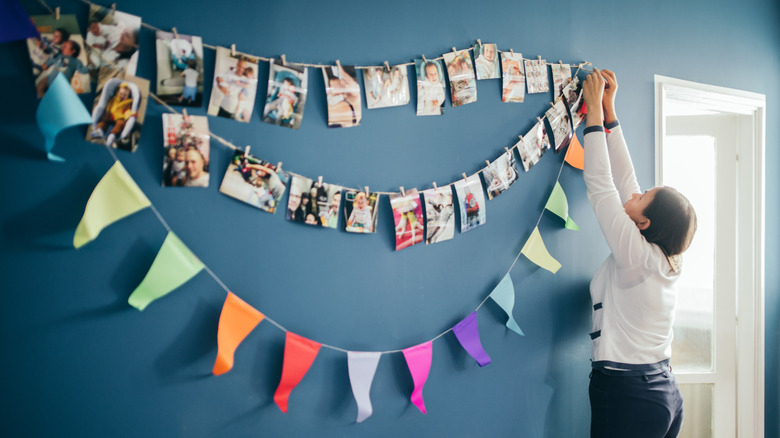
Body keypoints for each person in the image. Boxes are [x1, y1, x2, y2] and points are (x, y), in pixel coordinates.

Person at [582, 68, 697, 438]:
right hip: (661, 391)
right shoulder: (660, 257)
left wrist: (593, 114)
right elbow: (626, 181)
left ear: (645, 223)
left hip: (628, 392)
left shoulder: (636, 257)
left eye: (644, 197)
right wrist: (610, 112)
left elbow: (602, 185)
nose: (635, 193)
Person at [89, 81, 135, 148]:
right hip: (110, 114)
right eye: (121, 93)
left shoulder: (128, 102)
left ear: (128, 96)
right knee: (104, 119)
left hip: (119, 116)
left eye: (125, 95)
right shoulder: (114, 98)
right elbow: (109, 105)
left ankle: (113, 135)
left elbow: (127, 111)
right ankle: (100, 130)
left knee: (121, 124)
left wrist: (127, 116)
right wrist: (107, 111)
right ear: (118, 92)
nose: (123, 96)